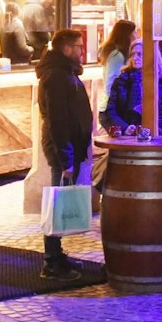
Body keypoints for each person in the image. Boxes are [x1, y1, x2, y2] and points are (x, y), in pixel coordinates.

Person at [36, 29, 95, 281]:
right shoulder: (56, 77)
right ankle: (51, 261)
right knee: (57, 202)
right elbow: (58, 121)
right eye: (79, 47)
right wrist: (66, 159)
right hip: (63, 149)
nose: (82, 52)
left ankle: (57, 255)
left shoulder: (65, 73)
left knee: (60, 202)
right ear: (66, 49)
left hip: (70, 147)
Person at [101, 42, 162, 135]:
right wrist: (125, 127)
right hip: (129, 139)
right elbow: (111, 110)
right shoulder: (121, 81)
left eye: (140, 54)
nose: (134, 58)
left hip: (158, 140)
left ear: (151, 56)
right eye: (132, 54)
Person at [97, 21, 137, 89]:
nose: (137, 36)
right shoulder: (117, 56)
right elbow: (111, 84)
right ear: (127, 35)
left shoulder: (120, 54)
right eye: (134, 32)